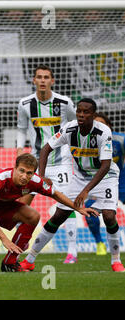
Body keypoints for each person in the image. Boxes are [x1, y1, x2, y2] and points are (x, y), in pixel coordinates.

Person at [20, 98, 125, 272]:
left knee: (108, 216)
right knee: (59, 215)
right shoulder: (69, 128)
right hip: (80, 177)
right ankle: (30, 259)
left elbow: (106, 165)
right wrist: (42, 176)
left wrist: (85, 191)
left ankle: (116, 261)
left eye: (86, 112)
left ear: (93, 114)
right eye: (79, 111)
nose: (81, 115)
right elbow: (46, 149)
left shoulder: (103, 132)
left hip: (105, 177)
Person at [0, 153, 97, 273]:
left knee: (33, 216)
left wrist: (78, 208)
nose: (24, 176)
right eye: (21, 171)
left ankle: (10, 262)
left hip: (1, 205)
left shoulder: (35, 181)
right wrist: (5, 239)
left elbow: (55, 194)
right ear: (15, 168)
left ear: (33, 174)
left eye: (29, 173)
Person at [16, 64, 79, 264]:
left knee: (66, 204)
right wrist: (19, 150)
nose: (42, 80)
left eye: (46, 77)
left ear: (52, 81)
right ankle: (20, 243)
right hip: (34, 163)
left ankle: (72, 251)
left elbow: (75, 126)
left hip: (61, 161)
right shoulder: (25, 103)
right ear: (33, 80)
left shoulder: (64, 102)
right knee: (22, 202)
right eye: (39, 77)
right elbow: (21, 129)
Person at [82, 112, 125, 255]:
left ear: (109, 127)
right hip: (99, 183)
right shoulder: (87, 140)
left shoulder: (120, 139)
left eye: (102, 124)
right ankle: (99, 243)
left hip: (121, 182)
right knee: (90, 212)